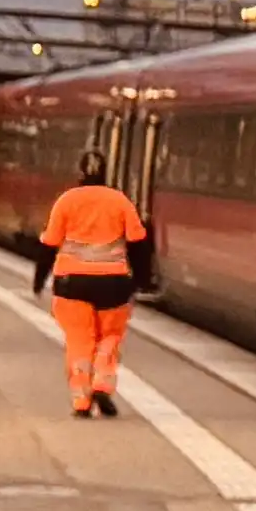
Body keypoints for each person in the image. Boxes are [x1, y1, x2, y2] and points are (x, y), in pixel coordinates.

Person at [39, 162, 149, 415]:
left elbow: (49, 243)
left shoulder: (66, 201)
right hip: (114, 284)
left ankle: (81, 401)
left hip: (71, 284)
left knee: (79, 341)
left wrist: (39, 279)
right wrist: (140, 280)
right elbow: (138, 243)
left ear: (79, 174)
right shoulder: (119, 201)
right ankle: (102, 384)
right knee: (109, 338)